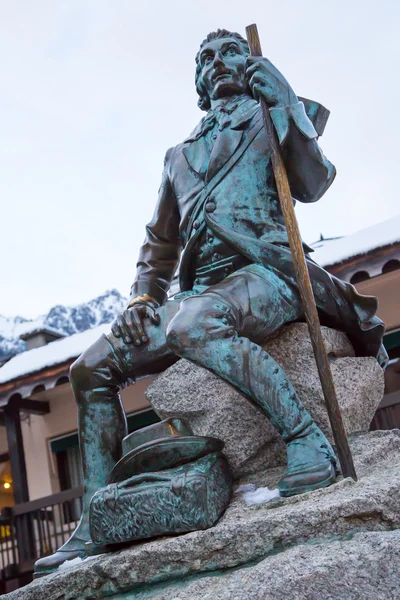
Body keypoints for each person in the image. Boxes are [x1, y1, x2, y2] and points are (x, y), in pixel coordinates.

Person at [34, 29, 386, 575]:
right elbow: (158, 247)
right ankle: (95, 517)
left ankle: (307, 441)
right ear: (198, 82)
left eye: (230, 53)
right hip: (198, 290)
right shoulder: (179, 156)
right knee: (90, 369)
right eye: (206, 59)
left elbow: (314, 184)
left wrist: (284, 99)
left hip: (268, 271)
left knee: (194, 325)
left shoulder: (274, 115)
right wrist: (142, 299)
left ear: (250, 65)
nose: (217, 63)